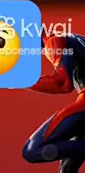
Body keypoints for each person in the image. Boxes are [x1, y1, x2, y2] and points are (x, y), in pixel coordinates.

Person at [22, 31, 85, 172]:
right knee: (67, 168)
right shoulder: (74, 38)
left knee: (32, 150)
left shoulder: (54, 41)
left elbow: (62, 83)